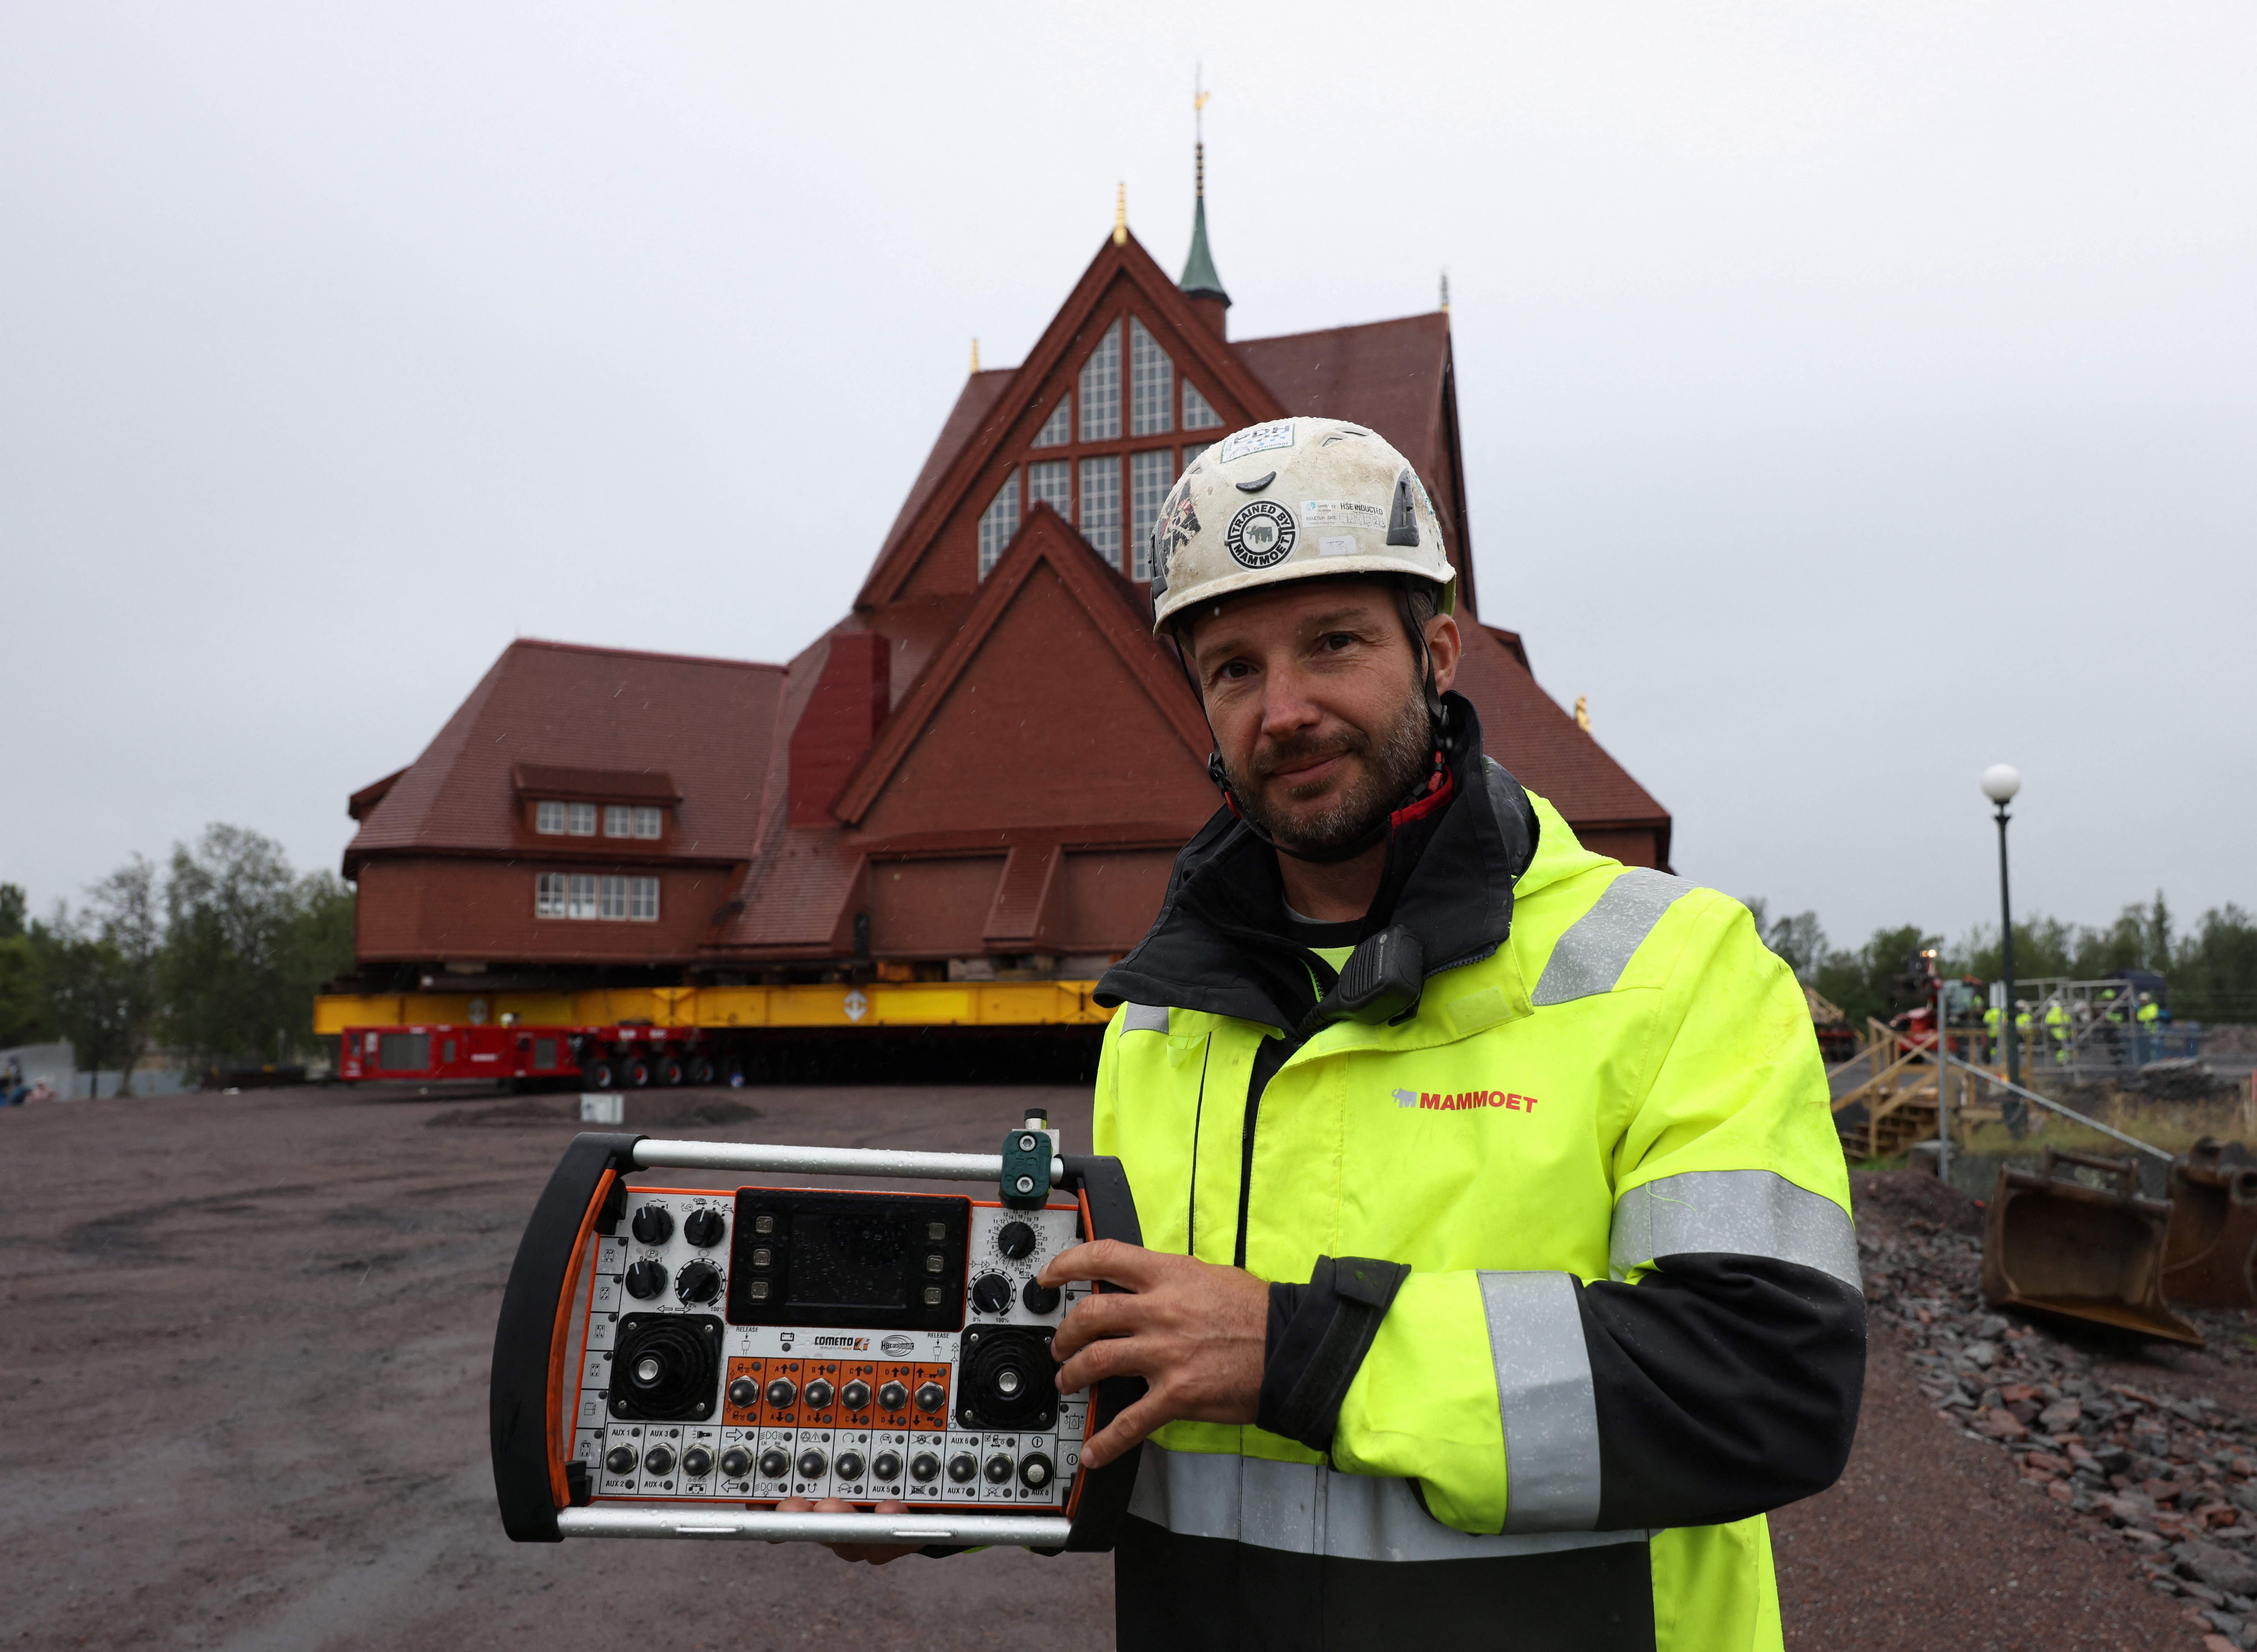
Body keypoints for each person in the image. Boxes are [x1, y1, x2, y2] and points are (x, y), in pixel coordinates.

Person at [788, 418, 1864, 1650]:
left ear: (1439, 652)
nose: (1282, 708)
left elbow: (1766, 1383)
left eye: (1333, 644)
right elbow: (1141, 1376)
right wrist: (926, 1482)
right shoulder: (1159, 1019)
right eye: (1232, 667)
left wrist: (1306, 1354)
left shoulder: (1675, 970)